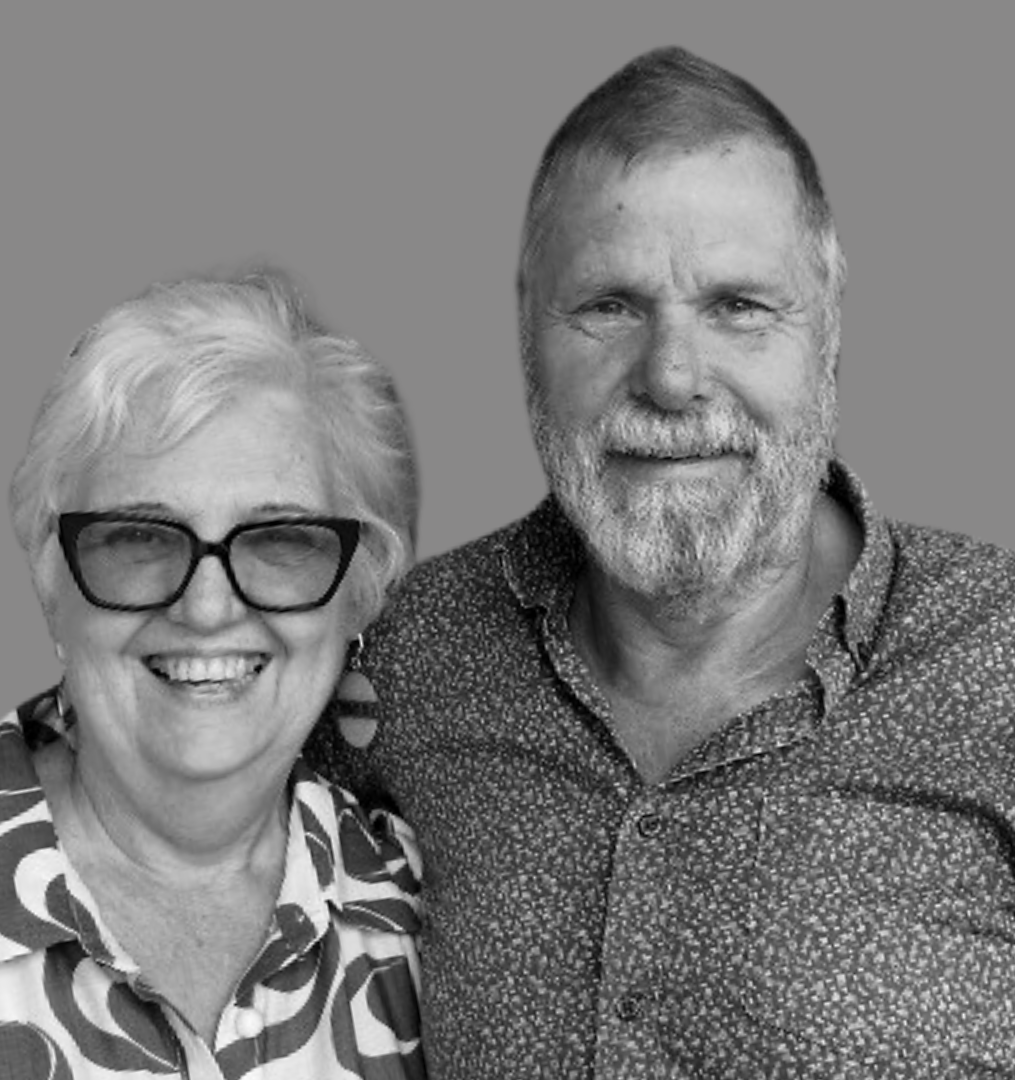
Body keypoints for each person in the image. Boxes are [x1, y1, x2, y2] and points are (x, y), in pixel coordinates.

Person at [308, 46, 1015, 1077]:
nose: (673, 376)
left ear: (829, 324)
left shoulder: (998, 659)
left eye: (739, 305)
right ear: (526, 332)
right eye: (610, 306)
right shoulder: (409, 650)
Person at [0, 270, 425, 1078]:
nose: (205, 608)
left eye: (280, 540)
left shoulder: (425, 913)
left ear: (358, 592)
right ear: (53, 583)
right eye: (140, 539)